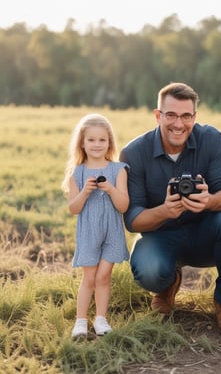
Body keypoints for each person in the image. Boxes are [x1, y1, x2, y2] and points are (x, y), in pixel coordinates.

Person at [119, 82, 221, 337]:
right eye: (171, 115)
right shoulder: (134, 153)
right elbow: (133, 219)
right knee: (148, 270)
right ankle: (167, 284)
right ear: (158, 115)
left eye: (185, 116)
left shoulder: (210, 138)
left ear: (194, 117)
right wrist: (165, 211)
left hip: (207, 232)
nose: (178, 124)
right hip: (162, 234)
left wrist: (209, 201)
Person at [61, 113, 130, 339]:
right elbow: (74, 208)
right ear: (82, 142)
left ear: (109, 142)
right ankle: (81, 321)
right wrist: (85, 191)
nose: (97, 144)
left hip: (112, 231)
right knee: (89, 278)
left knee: (103, 277)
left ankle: (100, 318)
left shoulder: (118, 169)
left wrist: (110, 189)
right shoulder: (78, 172)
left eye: (102, 140)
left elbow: (123, 206)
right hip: (89, 232)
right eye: (91, 140)